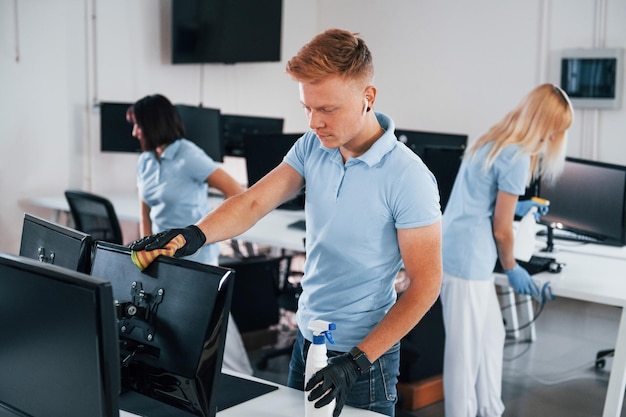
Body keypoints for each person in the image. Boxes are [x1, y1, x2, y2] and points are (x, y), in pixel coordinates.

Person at [128, 29, 442, 417]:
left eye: (327, 109)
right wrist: (193, 234)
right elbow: (253, 201)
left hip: (364, 359)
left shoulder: (407, 177)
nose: (314, 122)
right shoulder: (314, 147)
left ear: (368, 98)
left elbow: (426, 285)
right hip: (307, 342)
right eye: (307, 108)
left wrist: (357, 361)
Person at [440, 84, 574, 417]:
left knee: (492, 335)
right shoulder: (518, 157)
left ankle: (489, 409)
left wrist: (519, 203)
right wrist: (513, 268)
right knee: (465, 355)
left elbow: (482, 200)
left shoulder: (494, 140)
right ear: (547, 125)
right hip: (467, 262)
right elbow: (501, 229)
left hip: (462, 251)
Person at [126, 94, 253, 375]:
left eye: (138, 125)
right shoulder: (146, 161)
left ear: (154, 124)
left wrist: (212, 228)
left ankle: (243, 377)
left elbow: (237, 192)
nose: (134, 132)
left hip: (196, 254)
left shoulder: (188, 155)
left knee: (213, 324)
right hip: (162, 256)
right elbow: (144, 211)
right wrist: (145, 253)